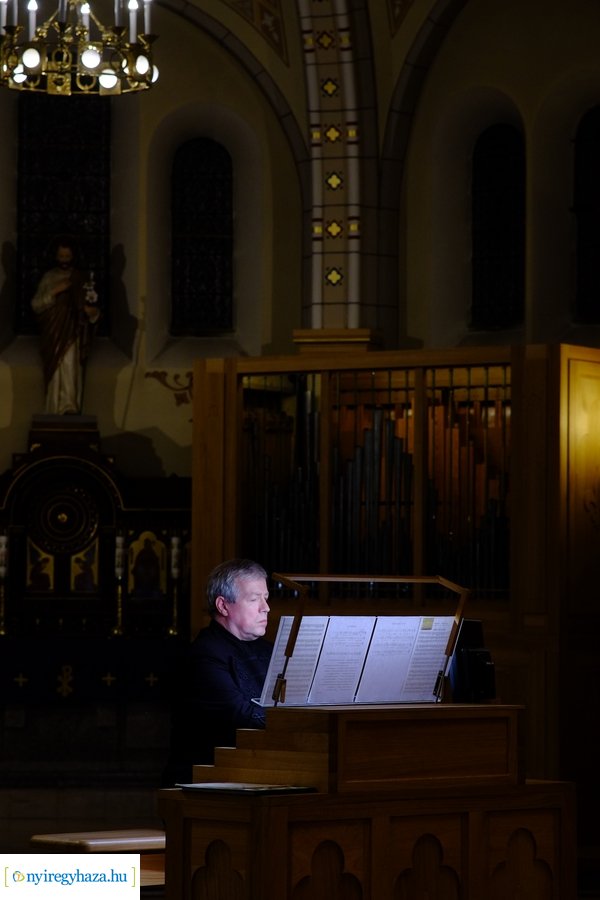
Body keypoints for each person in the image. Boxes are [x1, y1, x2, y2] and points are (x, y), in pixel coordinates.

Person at [163, 558, 272, 785]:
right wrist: (300, 718)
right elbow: (242, 715)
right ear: (223, 606)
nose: (266, 608)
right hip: (208, 779)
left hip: (255, 767)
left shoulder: (269, 650)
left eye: (266, 598)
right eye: (254, 599)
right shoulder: (204, 655)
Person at [31, 236, 100, 415]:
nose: (64, 260)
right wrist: (55, 290)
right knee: (55, 370)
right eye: (61, 256)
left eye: (67, 256)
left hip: (73, 331)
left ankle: (69, 407)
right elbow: (36, 304)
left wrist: (92, 313)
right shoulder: (49, 277)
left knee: (70, 366)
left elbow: (90, 305)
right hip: (53, 332)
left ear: (73, 256)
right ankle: (53, 408)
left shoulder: (81, 278)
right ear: (56, 256)